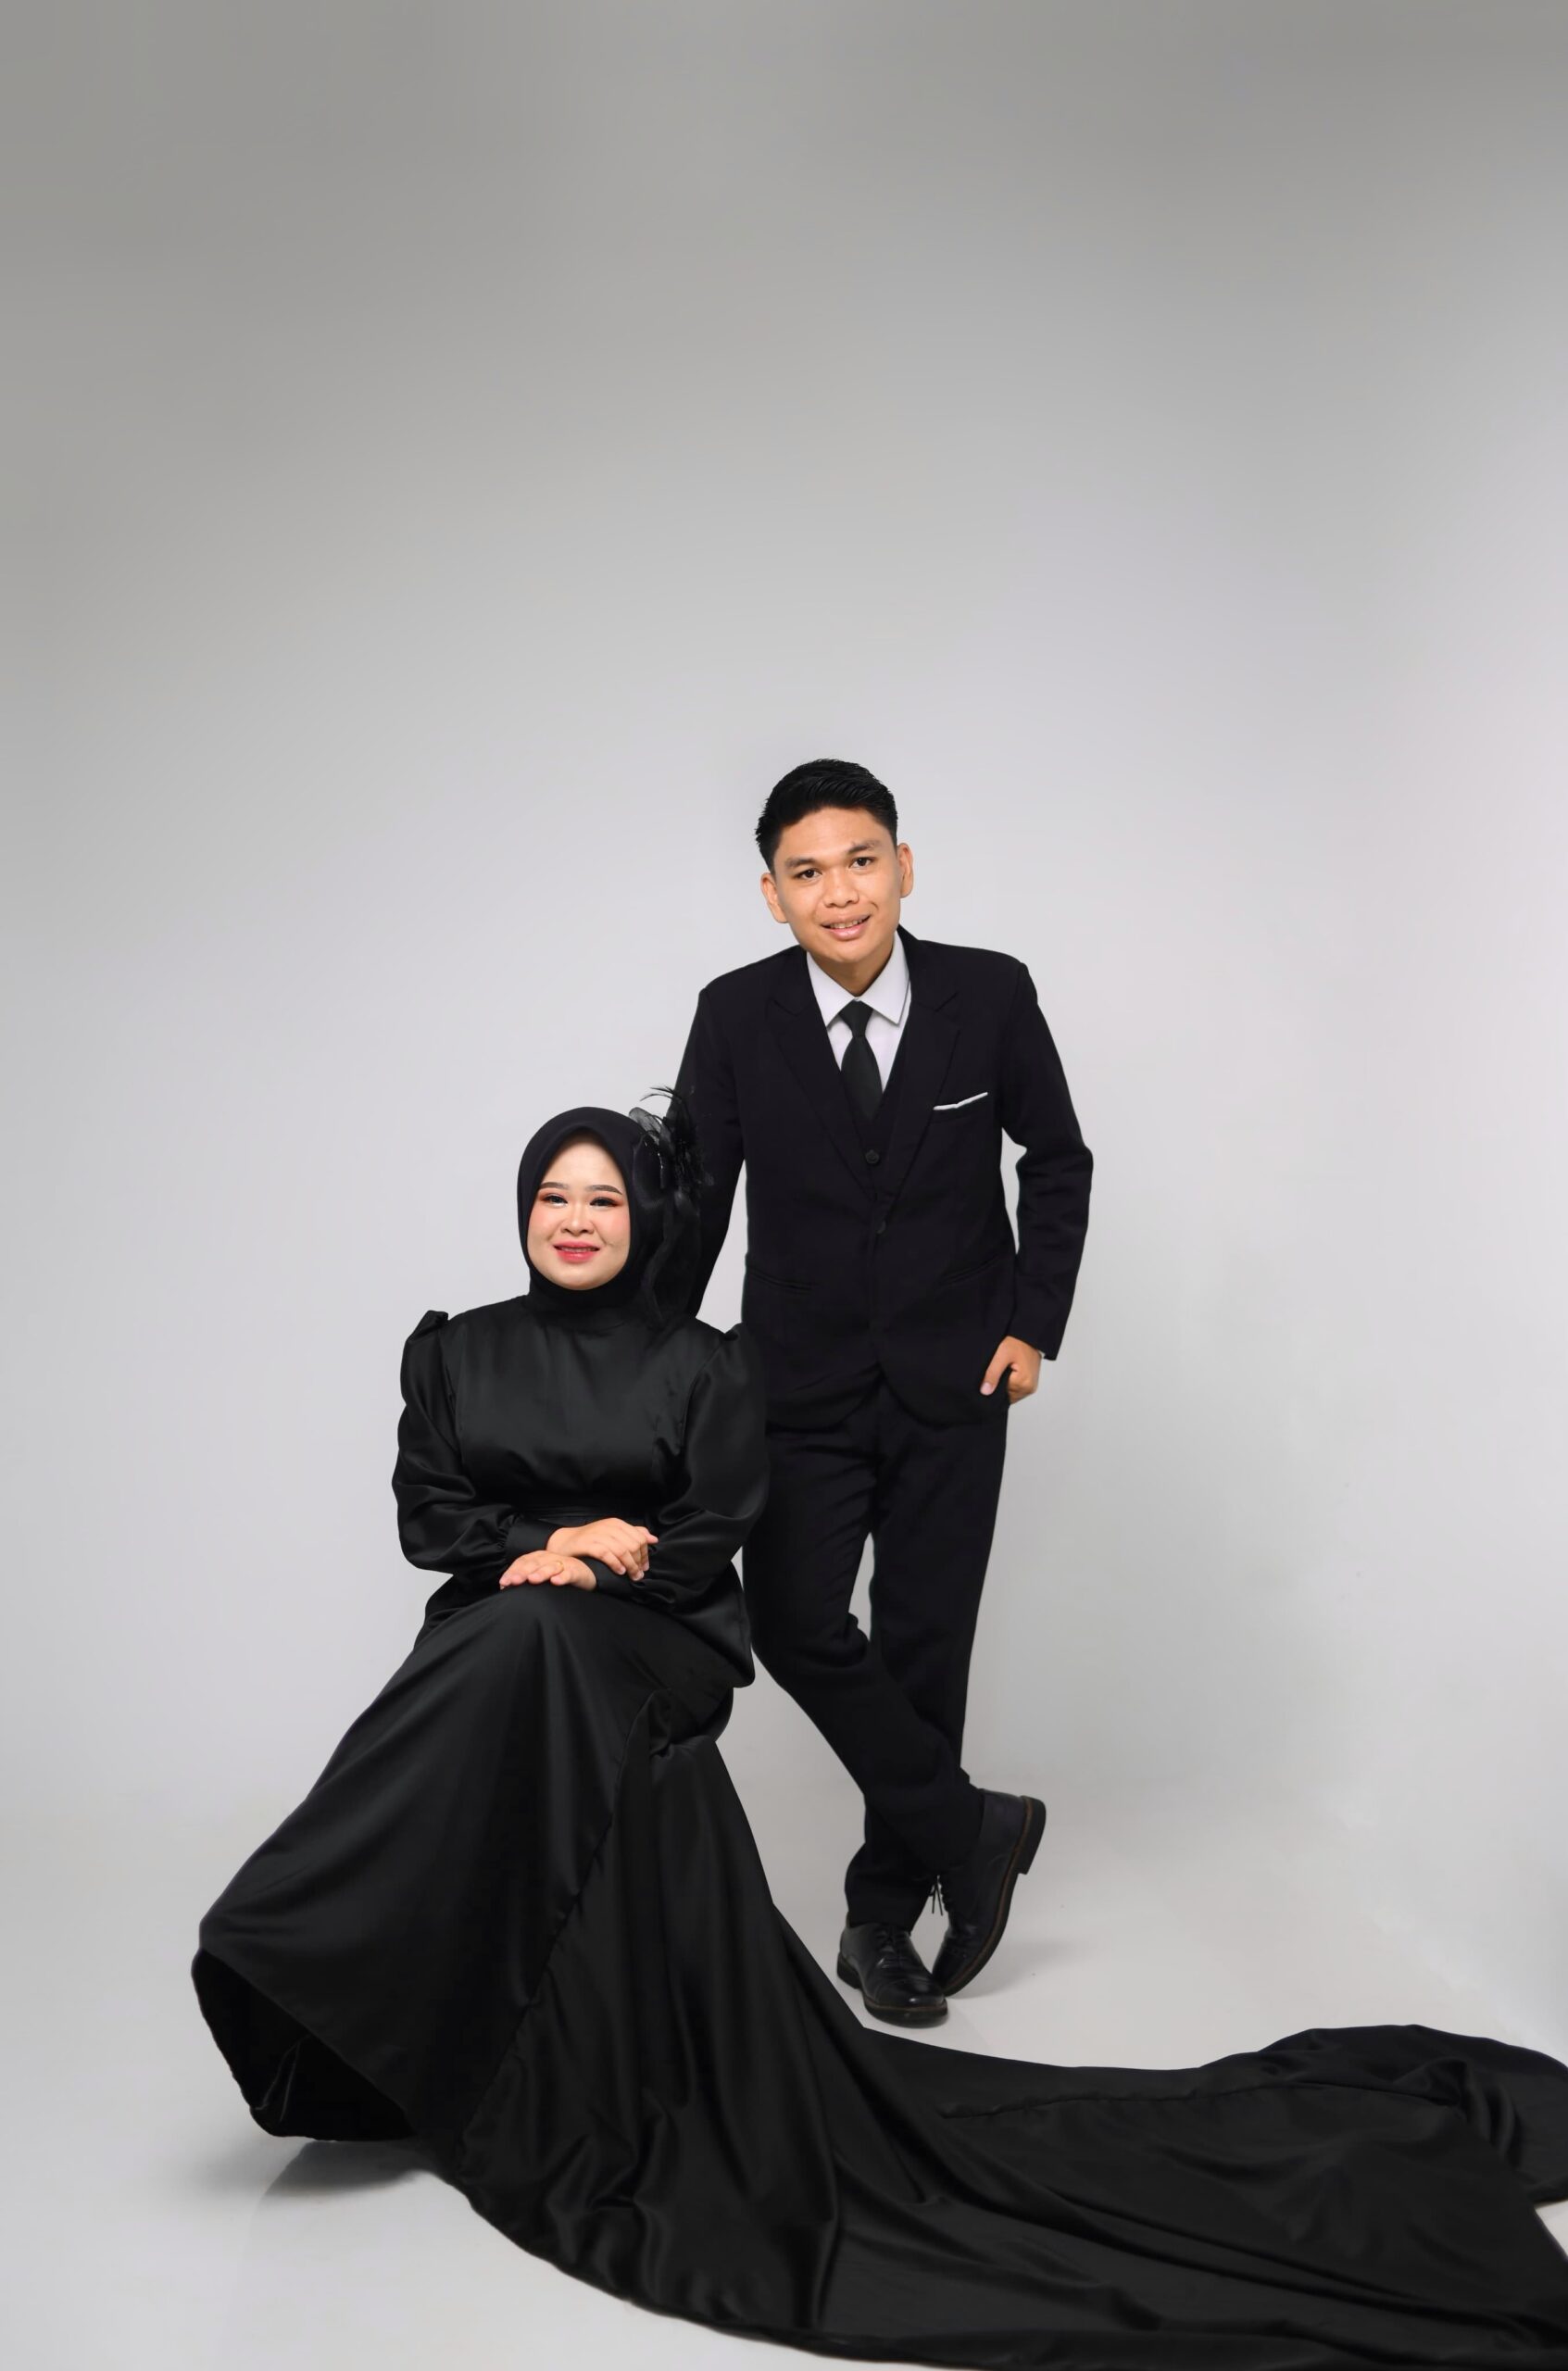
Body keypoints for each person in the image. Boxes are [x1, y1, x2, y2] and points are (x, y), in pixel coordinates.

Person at [194, 1095, 1568, 2367]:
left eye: (604, 1199)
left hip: (644, 1639)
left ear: (646, 1220)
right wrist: (543, 1547)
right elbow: (429, 1518)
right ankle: (338, 1982)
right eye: (553, 1195)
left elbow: (710, 1534)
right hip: (502, 1632)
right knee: (512, 1633)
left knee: (535, 1634)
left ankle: (302, 1927)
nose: (574, 1219)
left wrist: (601, 1562)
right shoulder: (455, 1351)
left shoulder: (702, 1365)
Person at [675, 759, 1092, 2022]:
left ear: (903, 867)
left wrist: (1034, 1325)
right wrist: (643, 1360)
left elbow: (1056, 1157)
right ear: (772, 895)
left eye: (861, 861)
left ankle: (879, 1920)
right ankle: (972, 1828)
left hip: (957, 1377)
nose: (840, 892)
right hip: (795, 1382)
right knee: (795, 1620)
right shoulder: (735, 1016)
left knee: (924, 1648)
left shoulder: (988, 993)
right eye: (806, 873)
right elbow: (696, 1204)